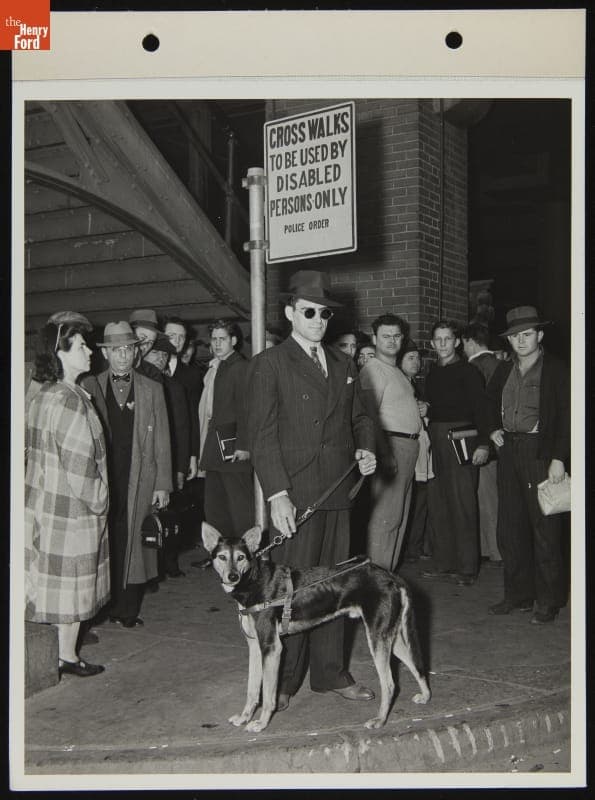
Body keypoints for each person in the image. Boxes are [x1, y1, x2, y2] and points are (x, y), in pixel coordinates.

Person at [247, 270, 377, 711]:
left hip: (338, 489)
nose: (319, 320)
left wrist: (365, 449)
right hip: (297, 495)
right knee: (291, 592)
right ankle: (283, 682)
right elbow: (262, 436)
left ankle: (330, 674)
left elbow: (361, 418)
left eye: (324, 313)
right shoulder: (270, 363)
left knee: (335, 587)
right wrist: (277, 494)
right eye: (309, 312)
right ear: (289, 314)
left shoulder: (343, 364)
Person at [25, 319, 109, 677]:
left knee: (56, 585)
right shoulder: (72, 401)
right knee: (74, 583)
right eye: (80, 347)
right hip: (72, 510)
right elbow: (81, 469)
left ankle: (64, 653)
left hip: (45, 504)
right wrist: (101, 501)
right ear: (59, 354)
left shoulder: (43, 394)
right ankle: (67, 656)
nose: (89, 351)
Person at [83, 322, 172, 628]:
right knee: (107, 539)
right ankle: (101, 607)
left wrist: (163, 485)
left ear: (136, 352)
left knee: (135, 542)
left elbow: (163, 439)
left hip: (140, 477)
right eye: (116, 350)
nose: (123, 356)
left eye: (128, 349)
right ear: (106, 354)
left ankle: (127, 610)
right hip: (103, 478)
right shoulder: (90, 386)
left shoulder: (153, 389)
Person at [487, 306, 570, 624]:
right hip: (509, 449)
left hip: (541, 452)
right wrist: (492, 427)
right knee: (510, 525)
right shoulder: (503, 370)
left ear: (540, 335)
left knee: (545, 527)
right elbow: (486, 401)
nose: (520, 341)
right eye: (514, 336)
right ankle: (518, 595)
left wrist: (559, 458)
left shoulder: (558, 370)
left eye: (526, 334)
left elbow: (567, 417)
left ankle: (549, 600)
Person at [421, 320, 492, 586]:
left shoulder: (469, 371)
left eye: (447, 339)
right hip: (436, 438)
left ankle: (466, 567)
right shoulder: (432, 373)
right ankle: (444, 562)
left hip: (463, 437)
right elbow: (433, 406)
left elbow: (482, 409)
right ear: (431, 343)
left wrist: (484, 444)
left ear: (457, 341)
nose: (442, 344)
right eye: (437, 339)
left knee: (462, 502)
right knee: (439, 501)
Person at [359, 314, 421, 572]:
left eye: (397, 336)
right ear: (374, 339)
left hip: (406, 448)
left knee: (398, 518)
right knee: (386, 519)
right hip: (391, 446)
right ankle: (376, 579)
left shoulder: (396, 371)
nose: (392, 341)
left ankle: (387, 576)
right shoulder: (374, 369)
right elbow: (369, 416)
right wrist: (384, 454)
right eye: (386, 336)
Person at [199, 320, 254, 538]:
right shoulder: (221, 366)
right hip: (217, 450)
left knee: (240, 512)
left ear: (234, 340)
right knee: (216, 510)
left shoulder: (240, 367)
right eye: (214, 339)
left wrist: (243, 445)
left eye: (223, 339)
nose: (218, 343)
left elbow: (246, 410)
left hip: (233, 451)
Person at [144, 333, 191, 579]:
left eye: (165, 355)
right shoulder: (136, 382)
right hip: (145, 461)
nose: (160, 359)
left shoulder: (174, 387)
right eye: (156, 353)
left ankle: (169, 563)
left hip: (168, 460)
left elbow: (183, 429)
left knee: (169, 514)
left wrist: (181, 467)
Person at [461, 322, 502, 566]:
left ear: (469, 341)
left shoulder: (474, 367)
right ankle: (495, 548)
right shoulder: (499, 363)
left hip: (481, 440)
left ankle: (493, 550)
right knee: (495, 496)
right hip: (500, 441)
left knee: (485, 497)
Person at [398, 340, 434, 563]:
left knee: (420, 499)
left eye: (417, 358)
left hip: (421, 449)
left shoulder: (416, 384)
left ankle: (414, 547)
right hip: (406, 449)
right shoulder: (398, 384)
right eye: (410, 358)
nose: (416, 362)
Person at [164, 317, 202, 482]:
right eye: (172, 335)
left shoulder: (192, 375)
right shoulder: (147, 369)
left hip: (179, 451)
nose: (177, 341)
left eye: (182, 337)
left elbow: (194, 418)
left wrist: (193, 456)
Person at [129, 308, 161, 382]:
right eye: (142, 338)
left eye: (151, 342)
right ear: (130, 335)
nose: (145, 345)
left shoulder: (153, 373)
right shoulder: (109, 365)